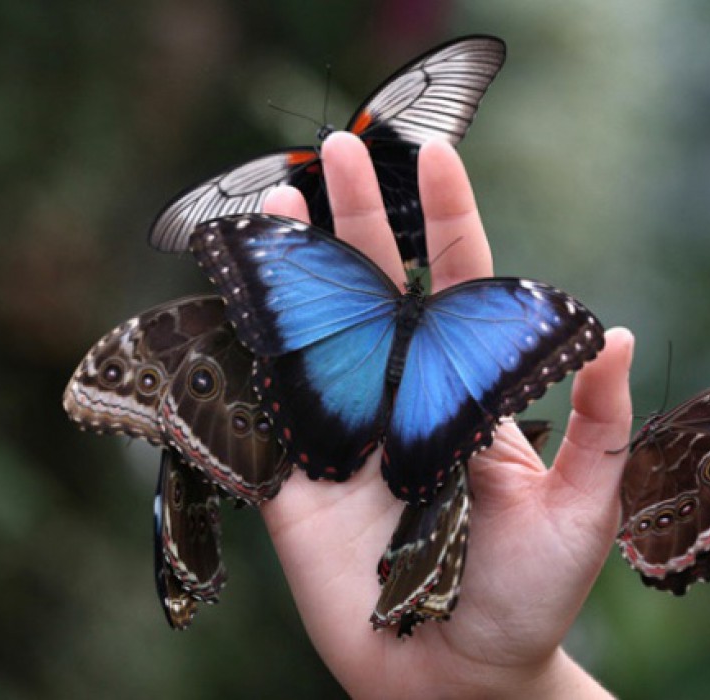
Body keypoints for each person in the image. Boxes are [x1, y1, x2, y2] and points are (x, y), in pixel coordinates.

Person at [259, 131, 633, 698]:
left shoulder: (366, 288)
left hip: (357, 386)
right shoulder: (471, 314)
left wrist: (508, 681)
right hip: (418, 404)